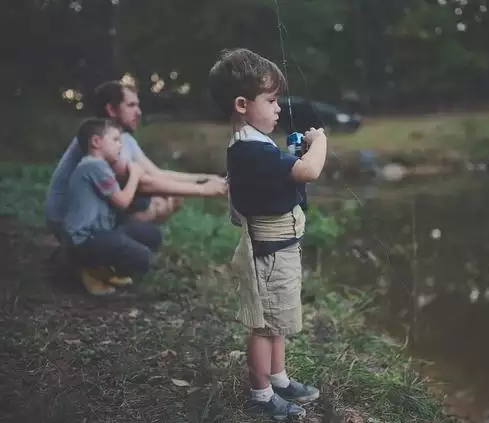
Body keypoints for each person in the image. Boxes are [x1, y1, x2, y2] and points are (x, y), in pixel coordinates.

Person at [208, 48, 328, 420]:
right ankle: (261, 396)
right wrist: (320, 142)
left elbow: (284, 172)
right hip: (269, 253)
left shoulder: (255, 144)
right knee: (263, 326)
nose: (278, 108)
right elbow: (308, 172)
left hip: (281, 249)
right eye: (272, 100)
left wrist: (297, 152)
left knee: (277, 320)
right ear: (242, 104)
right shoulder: (249, 148)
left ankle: (278, 377)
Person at [45, 80, 227, 242]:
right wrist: (203, 190)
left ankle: (112, 249)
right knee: (158, 202)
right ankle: (94, 258)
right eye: (131, 105)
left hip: (91, 212)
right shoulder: (101, 140)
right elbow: (144, 183)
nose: (138, 112)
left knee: (168, 197)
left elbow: (157, 173)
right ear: (111, 110)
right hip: (65, 218)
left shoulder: (123, 139)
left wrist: (207, 177)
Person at [62, 117, 163, 296]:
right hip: (84, 240)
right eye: (115, 140)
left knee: (152, 235)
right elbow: (123, 202)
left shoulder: (100, 166)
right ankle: (90, 270)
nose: (120, 146)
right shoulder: (94, 166)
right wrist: (136, 174)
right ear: (96, 142)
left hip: (99, 234)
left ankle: (101, 266)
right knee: (142, 258)